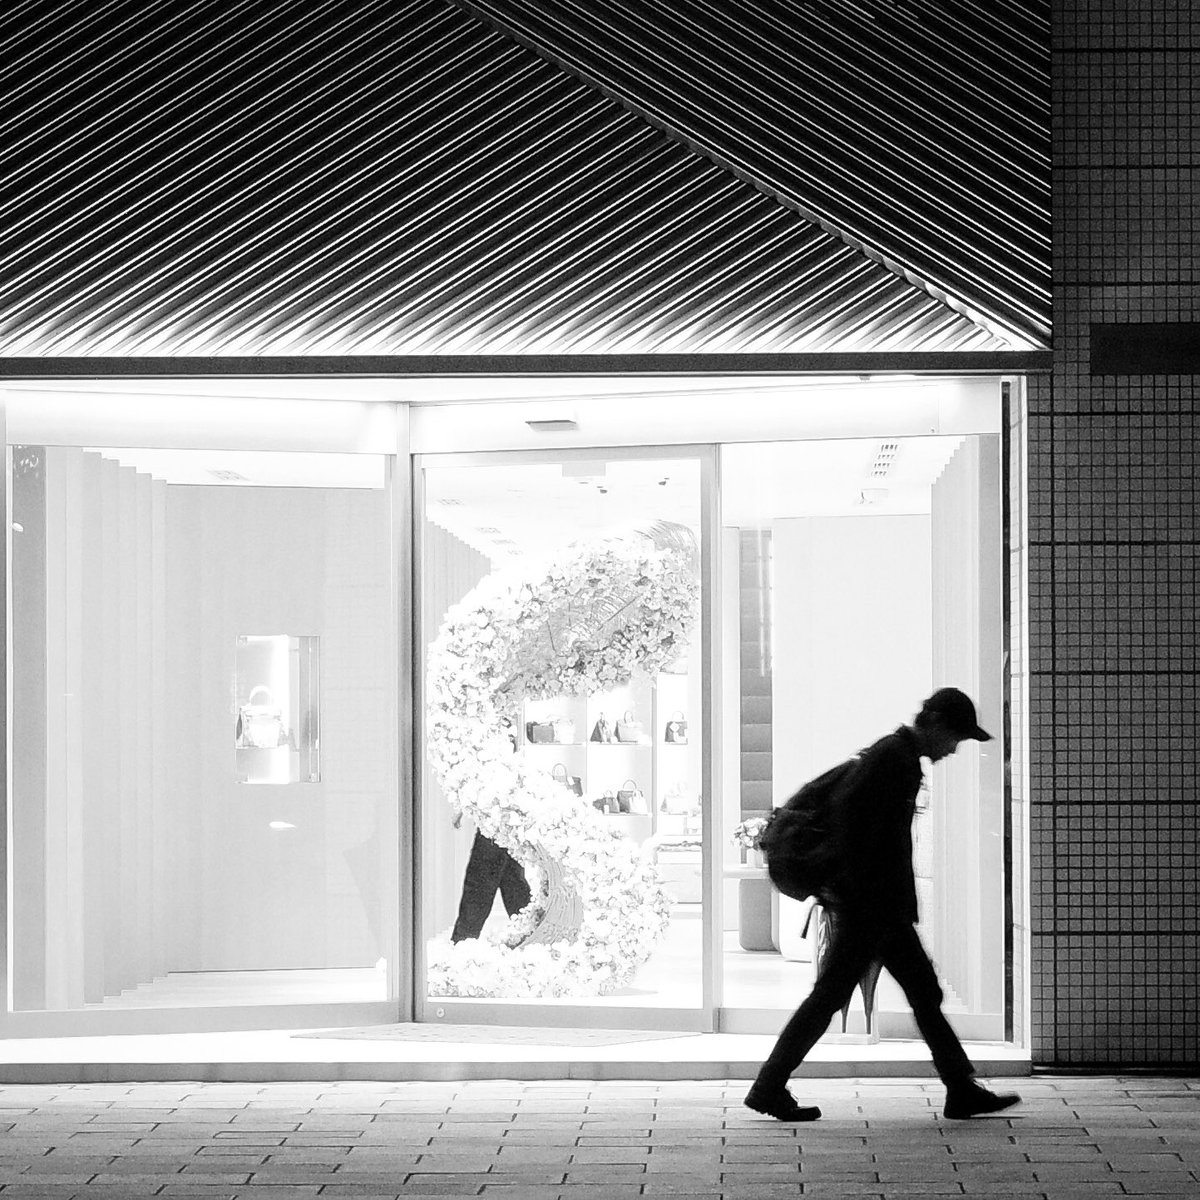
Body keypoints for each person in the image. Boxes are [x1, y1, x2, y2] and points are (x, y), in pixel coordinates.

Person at [745, 687, 1021, 1122]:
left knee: (916, 991)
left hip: (874, 904)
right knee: (841, 995)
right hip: (870, 905)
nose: (953, 749)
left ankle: (960, 1087)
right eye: (955, 738)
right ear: (934, 725)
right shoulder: (892, 762)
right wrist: (860, 897)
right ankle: (769, 1085)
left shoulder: (896, 758)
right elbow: (857, 831)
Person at [450, 827, 532, 943]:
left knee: (481, 882)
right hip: (504, 821)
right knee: (511, 879)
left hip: (497, 821)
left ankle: (463, 941)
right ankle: (532, 934)